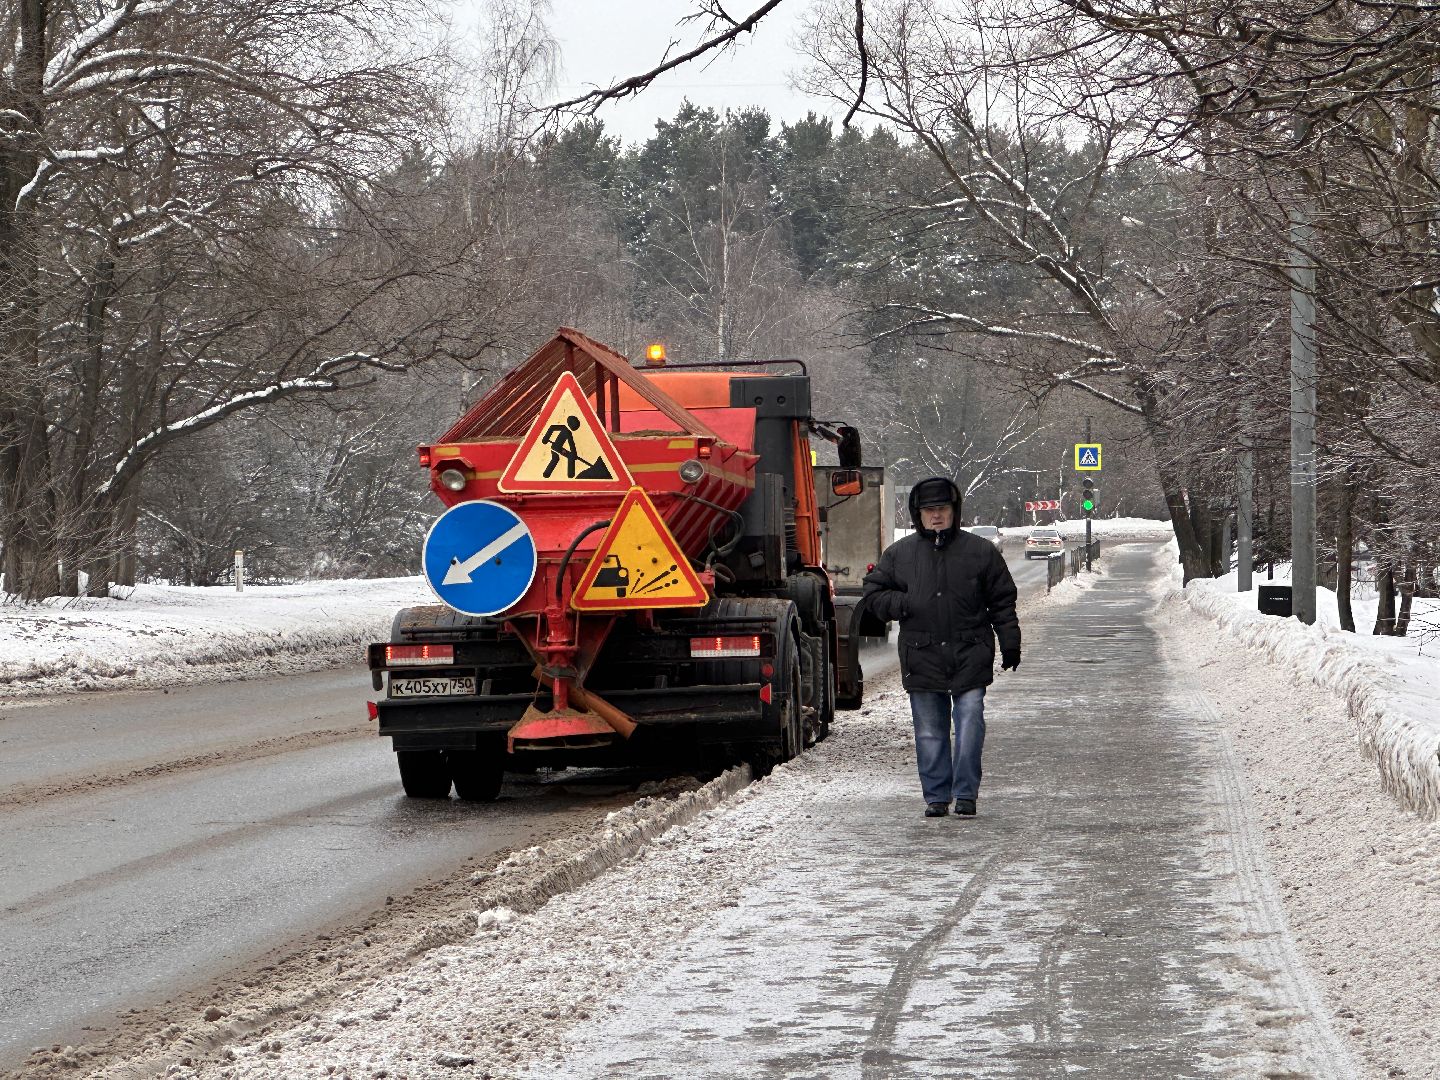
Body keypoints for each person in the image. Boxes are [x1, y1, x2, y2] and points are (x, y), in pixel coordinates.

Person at [862, 477, 1021, 818]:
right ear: (917, 515)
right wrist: (905, 602)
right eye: (929, 510)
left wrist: (1010, 642)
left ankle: (965, 794)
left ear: (955, 511)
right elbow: (873, 595)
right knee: (931, 732)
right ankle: (936, 796)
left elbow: (1002, 601)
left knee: (969, 724)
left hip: (970, 652)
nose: (936, 516)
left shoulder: (980, 552)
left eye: (943, 509)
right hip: (922, 655)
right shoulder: (899, 555)